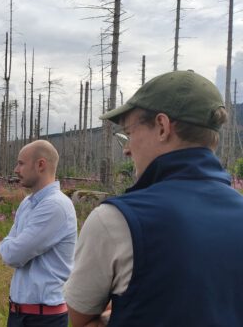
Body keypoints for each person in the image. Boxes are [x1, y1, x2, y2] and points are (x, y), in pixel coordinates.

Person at [64, 70, 243, 327]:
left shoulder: (117, 219)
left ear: (162, 127)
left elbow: (80, 318)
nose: (126, 148)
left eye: (129, 132)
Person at [0, 140, 77, 327]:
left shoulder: (55, 206)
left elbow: (13, 255)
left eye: (21, 163)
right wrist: (9, 245)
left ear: (41, 164)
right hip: (20, 314)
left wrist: (8, 245)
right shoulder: (28, 203)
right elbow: (11, 246)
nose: (16, 169)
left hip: (44, 318)